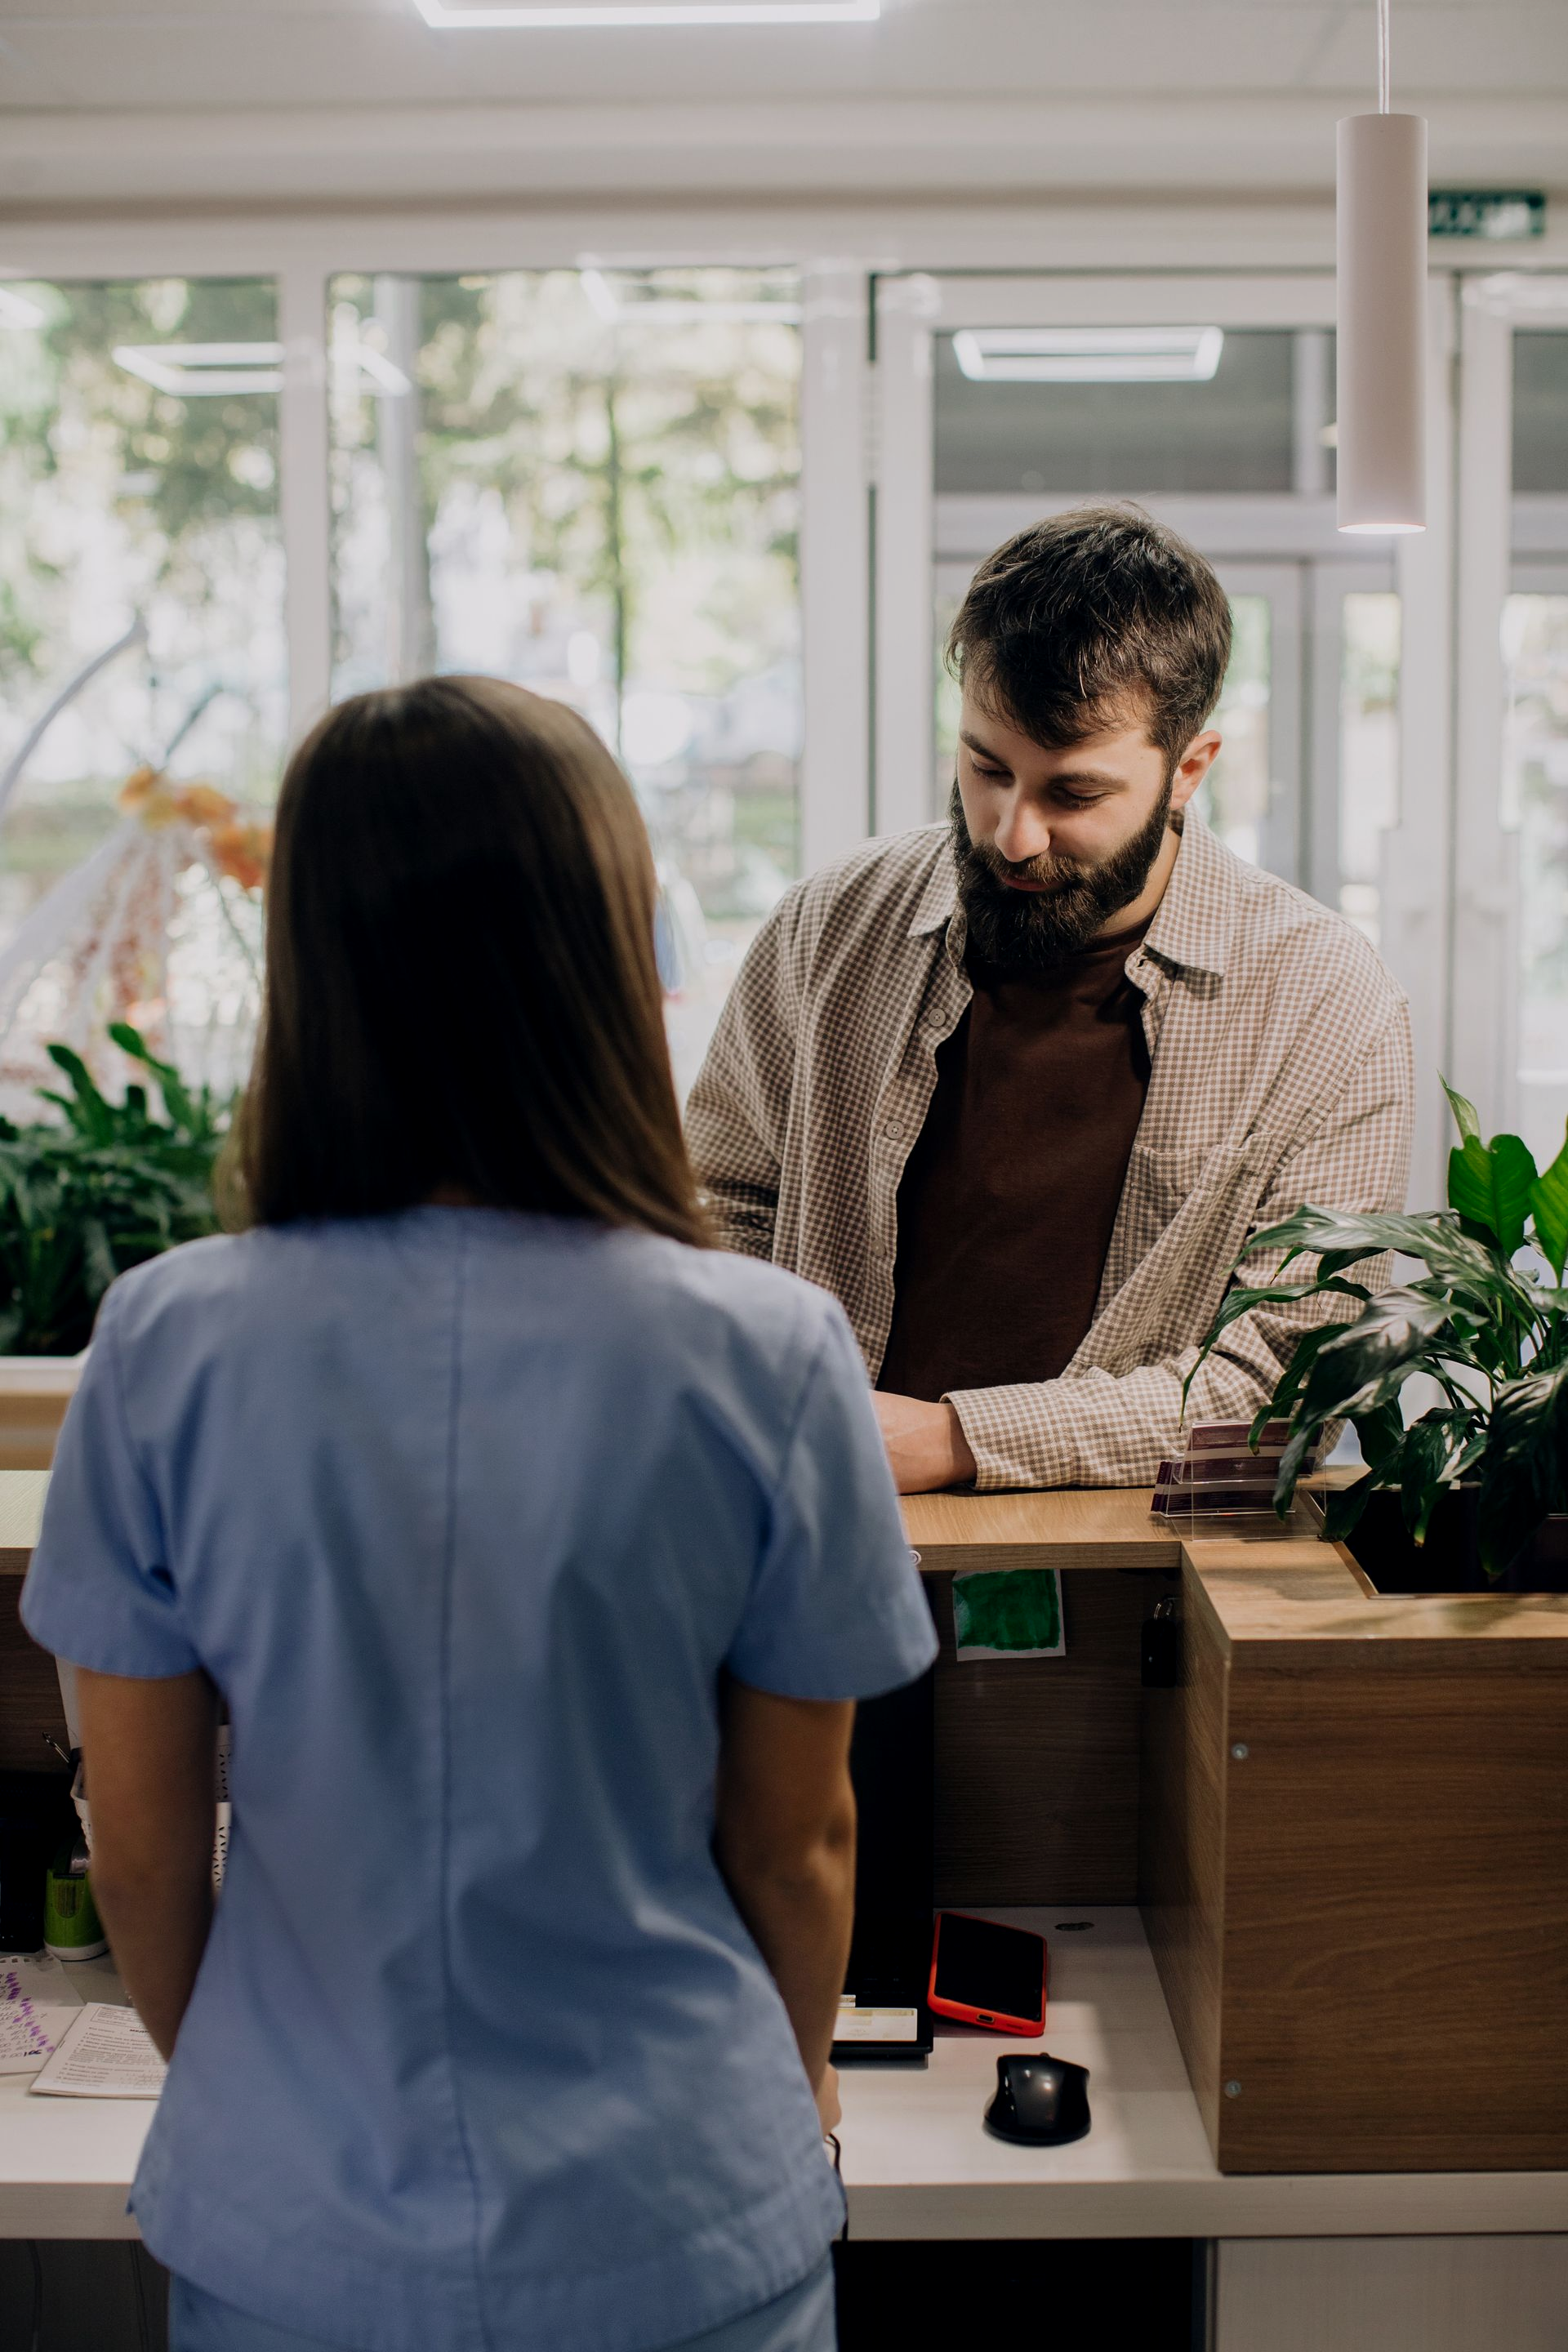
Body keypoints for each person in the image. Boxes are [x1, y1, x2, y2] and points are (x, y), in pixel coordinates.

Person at [20, 678, 937, 2352]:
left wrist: (267, 2122)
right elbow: (796, 1842)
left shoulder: (165, 1346)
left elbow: (139, 1850)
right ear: (606, 956)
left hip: (296, 2247)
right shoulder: (768, 1353)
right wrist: (795, 2107)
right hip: (678, 2228)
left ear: (314, 965)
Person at [687, 506, 1414, 1493]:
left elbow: (1287, 1393)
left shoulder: (1326, 1002)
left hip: (1136, 1568)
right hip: (814, 1529)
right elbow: (716, 1210)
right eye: (987, 768)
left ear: (1189, 769)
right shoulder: (830, 926)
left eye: (1073, 794)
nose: (1013, 834)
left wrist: (951, 1441)